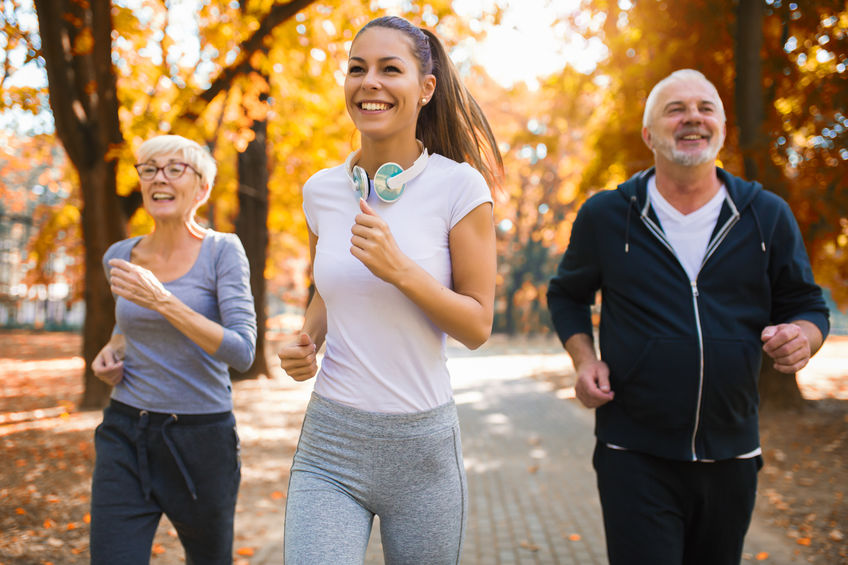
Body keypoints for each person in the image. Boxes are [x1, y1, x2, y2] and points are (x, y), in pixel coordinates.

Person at [547, 69, 830, 565]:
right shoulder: (608, 215)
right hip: (632, 451)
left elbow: (807, 305)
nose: (692, 117)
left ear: (721, 126)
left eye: (705, 107)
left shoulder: (766, 214)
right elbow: (566, 294)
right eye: (675, 109)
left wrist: (803, 337)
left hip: (733, 453)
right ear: (649, 134)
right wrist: (583, 359)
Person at [277, 15, 501, 565]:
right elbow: (332, 286)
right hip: (330, 441)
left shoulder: (459, 187)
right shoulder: (322, 192)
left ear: (425, 88)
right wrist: (306, 340)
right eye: (357, 69)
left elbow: (476, 326)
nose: (368, 82)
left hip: (422, 450)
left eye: (389, 69)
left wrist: (401, 270)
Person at [89, 134, 257, 565]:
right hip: (126, 431)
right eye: (149, 169)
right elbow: (127, 327)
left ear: (202, 189)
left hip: (200, 438)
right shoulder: (119, 256)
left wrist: (163, 299)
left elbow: (242, 352)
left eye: (174, 168)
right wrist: (113, 350)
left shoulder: (222, 251)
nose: (158, 178)